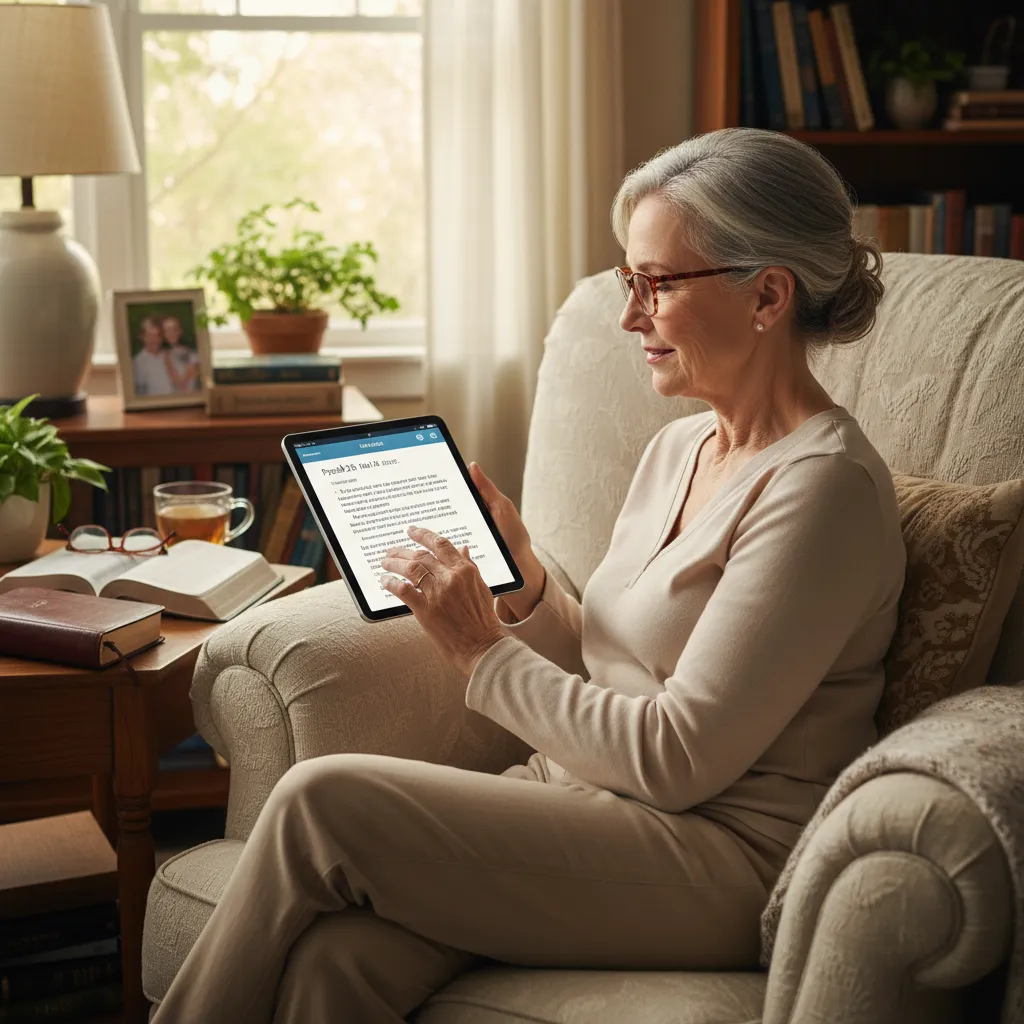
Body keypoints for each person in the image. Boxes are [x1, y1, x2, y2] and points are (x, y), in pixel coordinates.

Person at [151, 128, 906, 1023]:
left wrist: (480, 650)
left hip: (724, 855)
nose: (630, 318)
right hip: (591, 803)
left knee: (321, 800)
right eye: (629, 282)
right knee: (336, 959)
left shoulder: (824, 490)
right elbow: (613, 669)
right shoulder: (679, 448)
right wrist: (524, 587)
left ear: (768, 296)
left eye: (657, 285)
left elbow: (675, 759)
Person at [131, 315, 174, 396]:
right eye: (150, 336)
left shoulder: (171, 356)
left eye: (157, 336)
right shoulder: (137, 363)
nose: (155, 340)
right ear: (142, 337)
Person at [161, 315, 201, 392]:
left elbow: (182, 384)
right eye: (166, 331)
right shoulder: (163, 355)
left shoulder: (193, 354)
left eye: (173, 329)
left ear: (180, 331)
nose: (170, 334)